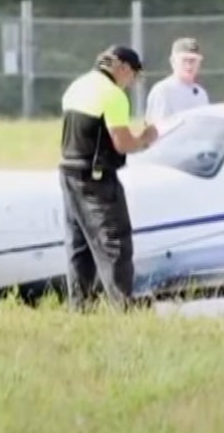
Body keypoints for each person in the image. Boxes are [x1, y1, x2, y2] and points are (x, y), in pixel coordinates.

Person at [58, 45, 158, 311]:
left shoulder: (76, 87)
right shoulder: (112, 95)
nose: (131, 83)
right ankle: (122, 306)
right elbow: (122, 143)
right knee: (114, 242)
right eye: (133, 76)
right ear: (122, 67)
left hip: (68, 172)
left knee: (79, 245)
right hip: (96, 177)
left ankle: (80, 307)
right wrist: (146, 138)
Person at [144, 37, 210, 122]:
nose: (189, 65)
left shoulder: (201, 94)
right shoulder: (163, 91)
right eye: (184, 60)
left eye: (193, 60)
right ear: (173, 61)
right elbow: (158, 128)